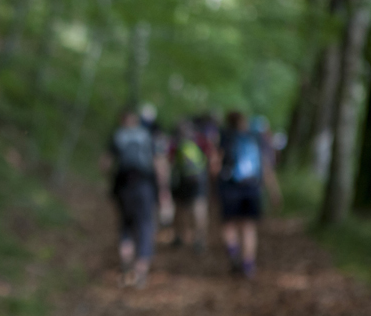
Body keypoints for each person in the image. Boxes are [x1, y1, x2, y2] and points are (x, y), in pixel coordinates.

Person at [216, 111, 282, 279]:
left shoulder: (225, 137)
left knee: (229, 225)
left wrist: (214, 189)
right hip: (251, 188)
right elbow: (266, 168)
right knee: (248, 226)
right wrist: (274, 191)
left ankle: (233, 252)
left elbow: (214, 165)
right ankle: (248, 264)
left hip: (230, 187)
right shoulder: (254, 138)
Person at [104, 108, 166, 287]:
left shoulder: (118, 135)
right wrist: (162, 188)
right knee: (145, 226)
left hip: (124, 187)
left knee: (125, 225)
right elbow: (158, 161)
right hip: (144, 186)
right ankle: (141, 271)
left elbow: (105, 163)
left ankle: (126, 262)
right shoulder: (147, 135)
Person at [169, 120, 209, 254]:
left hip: (181, 179)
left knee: (180, 208)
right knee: (199, 207)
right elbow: (210, 158)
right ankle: (199, 239)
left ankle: (180, 236)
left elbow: (170, 160)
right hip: (199, 179)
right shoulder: (201, 141)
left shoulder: (175, 142)